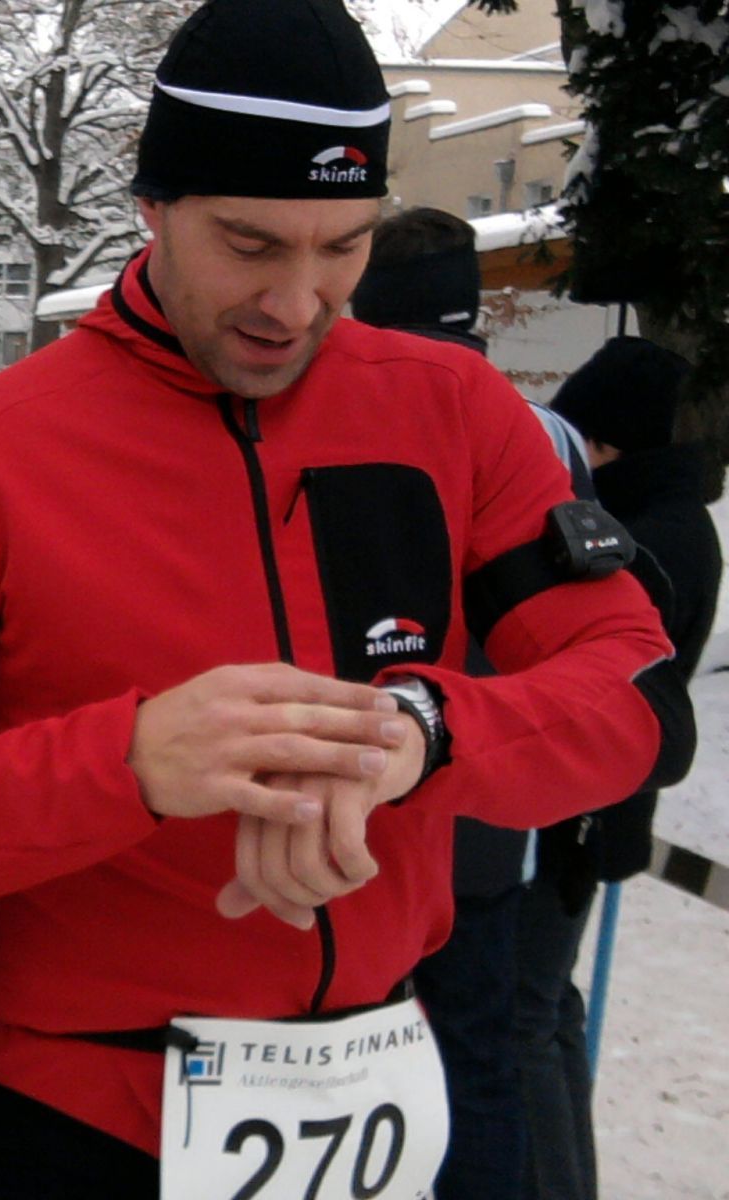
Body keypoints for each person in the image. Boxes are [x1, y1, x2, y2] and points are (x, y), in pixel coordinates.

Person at [0, 3, 694, 1197]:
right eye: (250, 245)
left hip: (379, 1098)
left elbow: (640, 703)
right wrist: (132, 763)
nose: (297, 304)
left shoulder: (451, 411)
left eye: (344, 247)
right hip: (86, 1123)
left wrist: (419, 731)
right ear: (151, 208)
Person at [349, 205, 591, 1200]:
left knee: (351, 1052)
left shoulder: (342, 409)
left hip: (366, 792)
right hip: (494, 798)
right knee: (480, 1058)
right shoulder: (551, 432)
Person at [513, 336, 721, 1200]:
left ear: (606, 443)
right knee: (546, 1011)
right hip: (594, 810)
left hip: (575, 815)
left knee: (521, 1020)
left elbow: (620, 689)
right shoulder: (670, 521)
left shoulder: (641, 538)